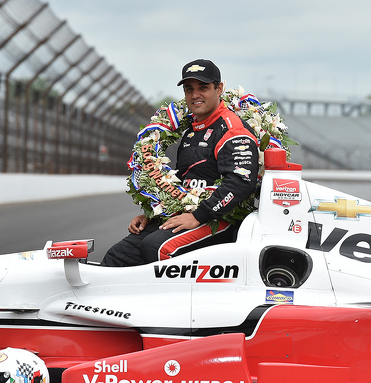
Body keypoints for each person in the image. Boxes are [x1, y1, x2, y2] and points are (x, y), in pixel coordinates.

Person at [101, 59, 259, 266]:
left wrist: (199, 216)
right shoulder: (192, 130)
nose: (195, 95)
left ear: (219, 88)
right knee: (118, 255)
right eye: (189, 89)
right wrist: (154, 212)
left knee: (157, 249)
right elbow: (180, 181)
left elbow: (241, 182)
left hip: (219, 219)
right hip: (185, 214)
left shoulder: (232, 129)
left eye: (203, 88)